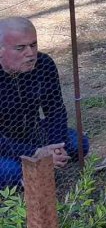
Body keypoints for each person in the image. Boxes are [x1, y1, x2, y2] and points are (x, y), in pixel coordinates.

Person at [0, 18, 88, 188]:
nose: (30, 53)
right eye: (20, 48)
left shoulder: (44, 64)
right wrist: (34, 152)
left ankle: (39, 165)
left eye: (33, 45)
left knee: (80, 144)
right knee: (13, 172)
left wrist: (55, 146)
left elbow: (55, 109)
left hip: (31, 132)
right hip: (3, 143)